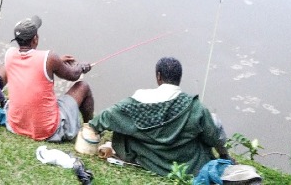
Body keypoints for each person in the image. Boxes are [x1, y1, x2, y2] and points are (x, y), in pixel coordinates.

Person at [88, 57, 231, 177]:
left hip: (148, 159)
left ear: (158, 76)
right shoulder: (195, 107)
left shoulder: (138, 102)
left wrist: (93, 128)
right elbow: (213, 137)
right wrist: (224, 155)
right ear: (179, 78)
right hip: (188, 166)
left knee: (122, 128)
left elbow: (106, 116)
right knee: (212, 120)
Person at [4, 15, 94, 142]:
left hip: (16, 125)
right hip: (46, 130)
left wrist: (57, 63)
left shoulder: (9, 54)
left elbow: (31, 62)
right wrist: (82, 67)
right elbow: (73, 75)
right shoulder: (49, 58)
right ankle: (89, 131)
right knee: (83, 87)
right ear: (35, 38)